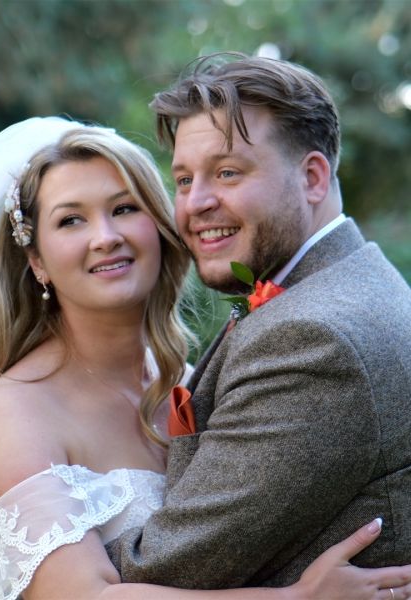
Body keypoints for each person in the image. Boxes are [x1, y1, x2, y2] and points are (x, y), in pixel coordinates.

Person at [0, 123, 411, 600]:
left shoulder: (189, 381)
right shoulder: (16, 413)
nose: (105, 236)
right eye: (71, 220)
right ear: (37, 261)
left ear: (159, 227)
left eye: (123, 209)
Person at [105, 52, 411, 591]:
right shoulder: (347, 281)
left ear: (313, 177)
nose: (195, 203)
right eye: (182, 179)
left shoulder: (314, 340)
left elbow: (169, 566)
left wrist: (45, 530)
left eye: (227, 172)